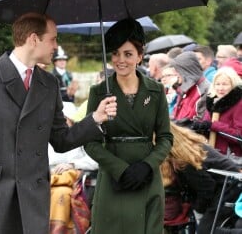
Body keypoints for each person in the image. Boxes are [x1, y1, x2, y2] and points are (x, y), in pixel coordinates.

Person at [0, 12, 117, 234]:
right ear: (33, 39)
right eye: (53, 39)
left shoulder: (49, 84)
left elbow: (61, 139)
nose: (56, 46)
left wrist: (95, 119)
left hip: (33, 198)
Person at [84, 18, 173, 234]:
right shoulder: (99, 92)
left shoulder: (155, 91)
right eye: (115, 53)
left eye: (128, 54)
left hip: (147, 178)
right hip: (113, 178)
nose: (120, 60)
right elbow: (89, 141)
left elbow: (165, 138)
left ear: (140, 56)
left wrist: (147, 165)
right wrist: (120, 170)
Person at [49, 102, 98, 234]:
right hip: (48, 179)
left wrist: (72, 165)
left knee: (62, 194)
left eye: (65, 119)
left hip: (73, 182)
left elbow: (94, 161)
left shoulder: (80, 139)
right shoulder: (46, 137)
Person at [191, 66, 242, 159]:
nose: (220, 88)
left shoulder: (239, 104)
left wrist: (214, 125)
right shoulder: (212, 102)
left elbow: (239, 137)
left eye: (225, 84)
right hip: (212, 153)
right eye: (217, 84)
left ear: (233, 84)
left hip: (233, 157)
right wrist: (200, 128)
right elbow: (208, 126)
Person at [169, 51, 210, 121]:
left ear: (187, 71)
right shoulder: (185, 88)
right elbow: (176, 115)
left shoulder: (204, 90)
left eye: (178, 70)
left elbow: (199, 122)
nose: (175, 73)